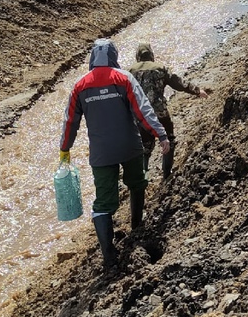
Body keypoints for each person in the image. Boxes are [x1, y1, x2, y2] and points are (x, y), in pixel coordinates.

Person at [59, 38, 170, 271]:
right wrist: (160, 134)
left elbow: (71, 121)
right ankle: (136, 226)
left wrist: (65, 149)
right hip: (129, 146)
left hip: (101, 153)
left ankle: (109, 257)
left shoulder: (80, 86)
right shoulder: (123, 78)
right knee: (137, 182)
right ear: (114, 56)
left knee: (103, 202)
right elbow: (143, 110)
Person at [129, 42, 210, 178]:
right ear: (151, 55)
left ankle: (142, 176)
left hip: (140, 116)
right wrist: (197, 91)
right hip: (160, 113)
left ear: (137, 56)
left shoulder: (129, 72)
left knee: (145, 146)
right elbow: (178, 83)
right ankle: (166, 173)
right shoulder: (160, 68)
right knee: (169, 140)